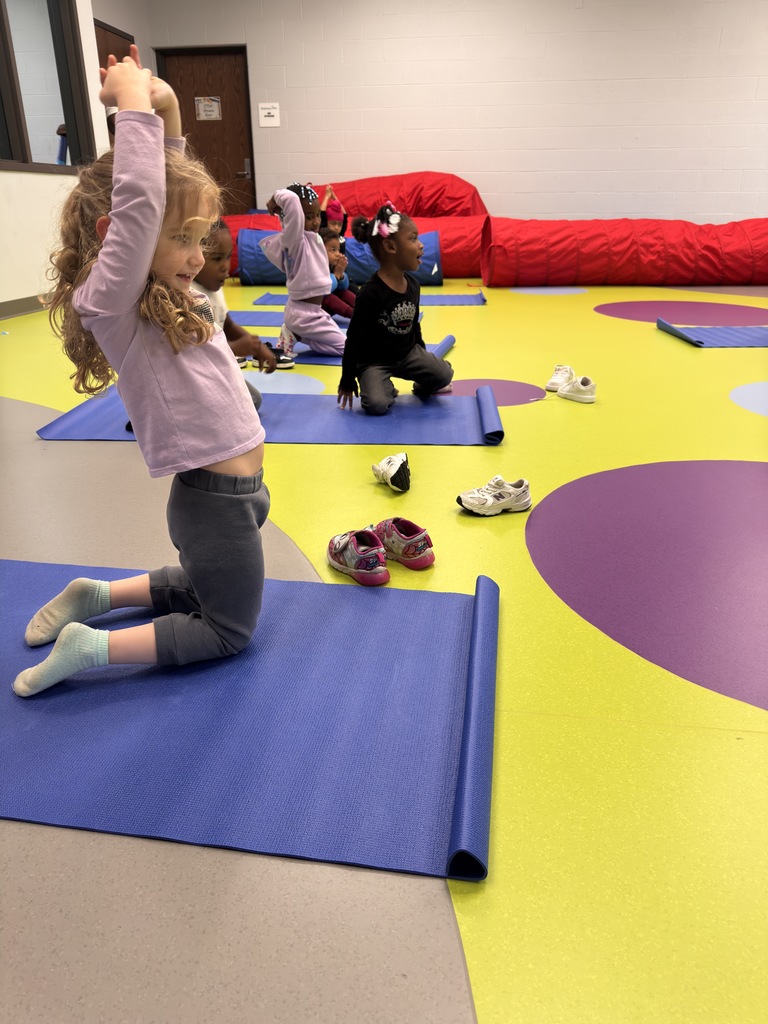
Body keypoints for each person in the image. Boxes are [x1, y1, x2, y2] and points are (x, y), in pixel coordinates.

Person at [14, 48, 269, 698]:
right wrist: (130, 104)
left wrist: (167, 108)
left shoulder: (171, 288)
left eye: (201, 236)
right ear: (116, 238)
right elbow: (139, 203)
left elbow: (168, 182)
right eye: (184, 239)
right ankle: (91, 646)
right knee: (226, 628)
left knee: (196, 580)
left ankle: (93, 595)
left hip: (236, 497)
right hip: (212, 502)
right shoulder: (113, 301)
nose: (198, 255)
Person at [337, 204, 453, 416]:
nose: (421, 246)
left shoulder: (413, 285)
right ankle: (385, 387)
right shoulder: (370, 294)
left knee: (444, 375)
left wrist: (424, 359)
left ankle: (420, 385)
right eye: (413, 239)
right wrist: (347, 377)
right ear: (391, 247)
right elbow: (354, 339)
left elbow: (414, 326)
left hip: (407, 354)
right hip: (374, 362)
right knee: (376, 404)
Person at [260, 183, 346, 360]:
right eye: (308, 217)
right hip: (303, 314)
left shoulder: (313, 237)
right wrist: (274, 199)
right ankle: (298, 333)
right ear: (296, 218)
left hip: (312, 313)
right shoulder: (295, 239)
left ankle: (297, 334)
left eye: (317, 215)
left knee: (344, 346)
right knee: (349, 349)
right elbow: (290, 200)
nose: (316, 221)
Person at [195, 221, 294, 370]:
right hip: (199, 375)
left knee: (253, 395)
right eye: (216, 259)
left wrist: (257, 346)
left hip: (217, 369)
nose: (225, 266)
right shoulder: (190, 298)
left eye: (228, 257)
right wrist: (235, 348)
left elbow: (227, 326)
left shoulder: (214, 289)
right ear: (194, 257)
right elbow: (197, 353)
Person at [320, 227, 356, 320]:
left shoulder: (332, 264)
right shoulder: (315, 266)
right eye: (333, 250)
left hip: (327, 309)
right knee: (328, 297)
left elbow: (343, 287)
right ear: (319, 251)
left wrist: (341, 274)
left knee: (344, 292)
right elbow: (323, 290)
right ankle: (356, 316)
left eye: (338, 250)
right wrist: (336, 275)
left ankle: (364, 309)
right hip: (315, 308)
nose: (337, 254)